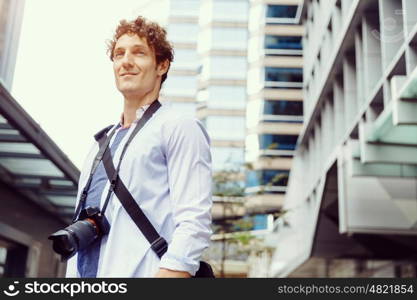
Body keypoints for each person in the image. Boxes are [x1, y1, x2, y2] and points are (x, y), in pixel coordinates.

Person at [65, 16, 212, 278]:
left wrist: (171, 273)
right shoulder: (101, 142)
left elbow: (194, 221)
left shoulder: (179, 126)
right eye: (119, 54)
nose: (126, 61)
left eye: (139, 53)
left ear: (162, 65)